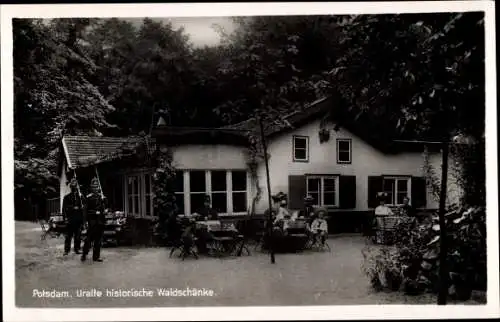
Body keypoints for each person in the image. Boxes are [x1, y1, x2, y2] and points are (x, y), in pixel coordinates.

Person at [81, 178, 105, 262]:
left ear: (98, 187)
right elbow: (85, 211)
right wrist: (85, 222)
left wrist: (104, 201)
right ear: (91, 187)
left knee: (98, 240)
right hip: (92, 221)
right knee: (89, 239)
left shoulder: (100, 197)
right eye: (94, 186)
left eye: (97, 186)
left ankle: (96, 256)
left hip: (100, 222)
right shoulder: (88, 197)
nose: (95, 188)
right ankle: (84, 254)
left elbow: (103, 209)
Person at [62, 178, 84, 255]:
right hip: (70, 218)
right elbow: (64, 208)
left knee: (78, 235)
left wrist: (82, 197)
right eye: (73, 187)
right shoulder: (67, 197)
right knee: (68, 236)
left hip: (78, 218)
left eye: (76, 187)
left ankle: (77, 249)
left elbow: (83, 207)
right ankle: (66, 250)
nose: (75, 188)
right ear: (71, 187)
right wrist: (65, 218)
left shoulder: (80, 197)